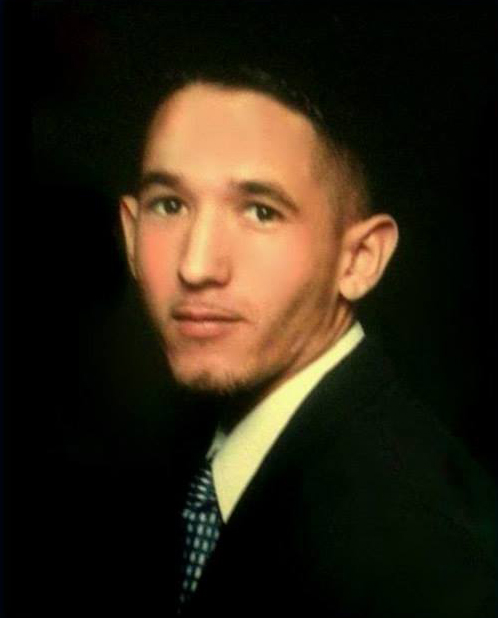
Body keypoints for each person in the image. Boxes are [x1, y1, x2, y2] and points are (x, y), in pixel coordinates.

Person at [119, 67, 496, 617]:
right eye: (170, 205)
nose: (196, 266)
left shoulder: (424, 556)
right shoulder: (171, 457)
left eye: (261, 212)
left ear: (359, 259)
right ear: (130, 233)